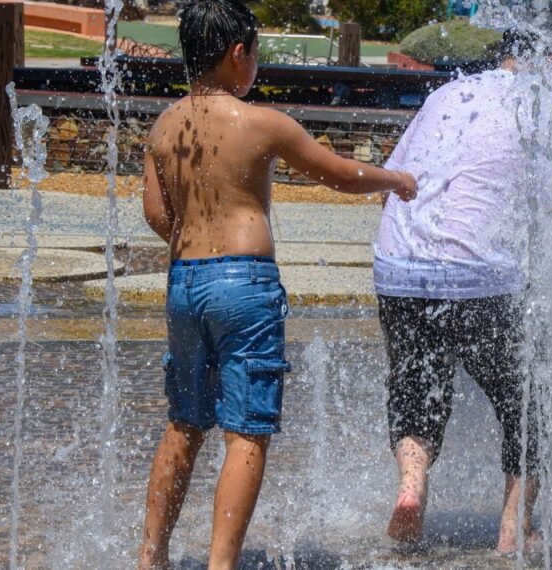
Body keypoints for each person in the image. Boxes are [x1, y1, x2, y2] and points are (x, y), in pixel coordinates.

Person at [135, 1, 416, 568]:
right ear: (238, 55)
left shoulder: (165, 128)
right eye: (255, 54)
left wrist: (194, 238)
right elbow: (337, 173)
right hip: (245, 284)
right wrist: (397, 179)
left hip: (185, 281)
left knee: (184, 422)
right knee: (246, 430)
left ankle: (150, 555)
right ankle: (221, 565)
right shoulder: (261, 123)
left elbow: (156, 214)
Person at [373, 29, 541, 553]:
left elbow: (391, 181)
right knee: (533, 400)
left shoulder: (448, 93)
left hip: (399, 264)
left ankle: (411, 484)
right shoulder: (546, 102)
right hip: (477, 275)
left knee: (418, 387)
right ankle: (513, 533)